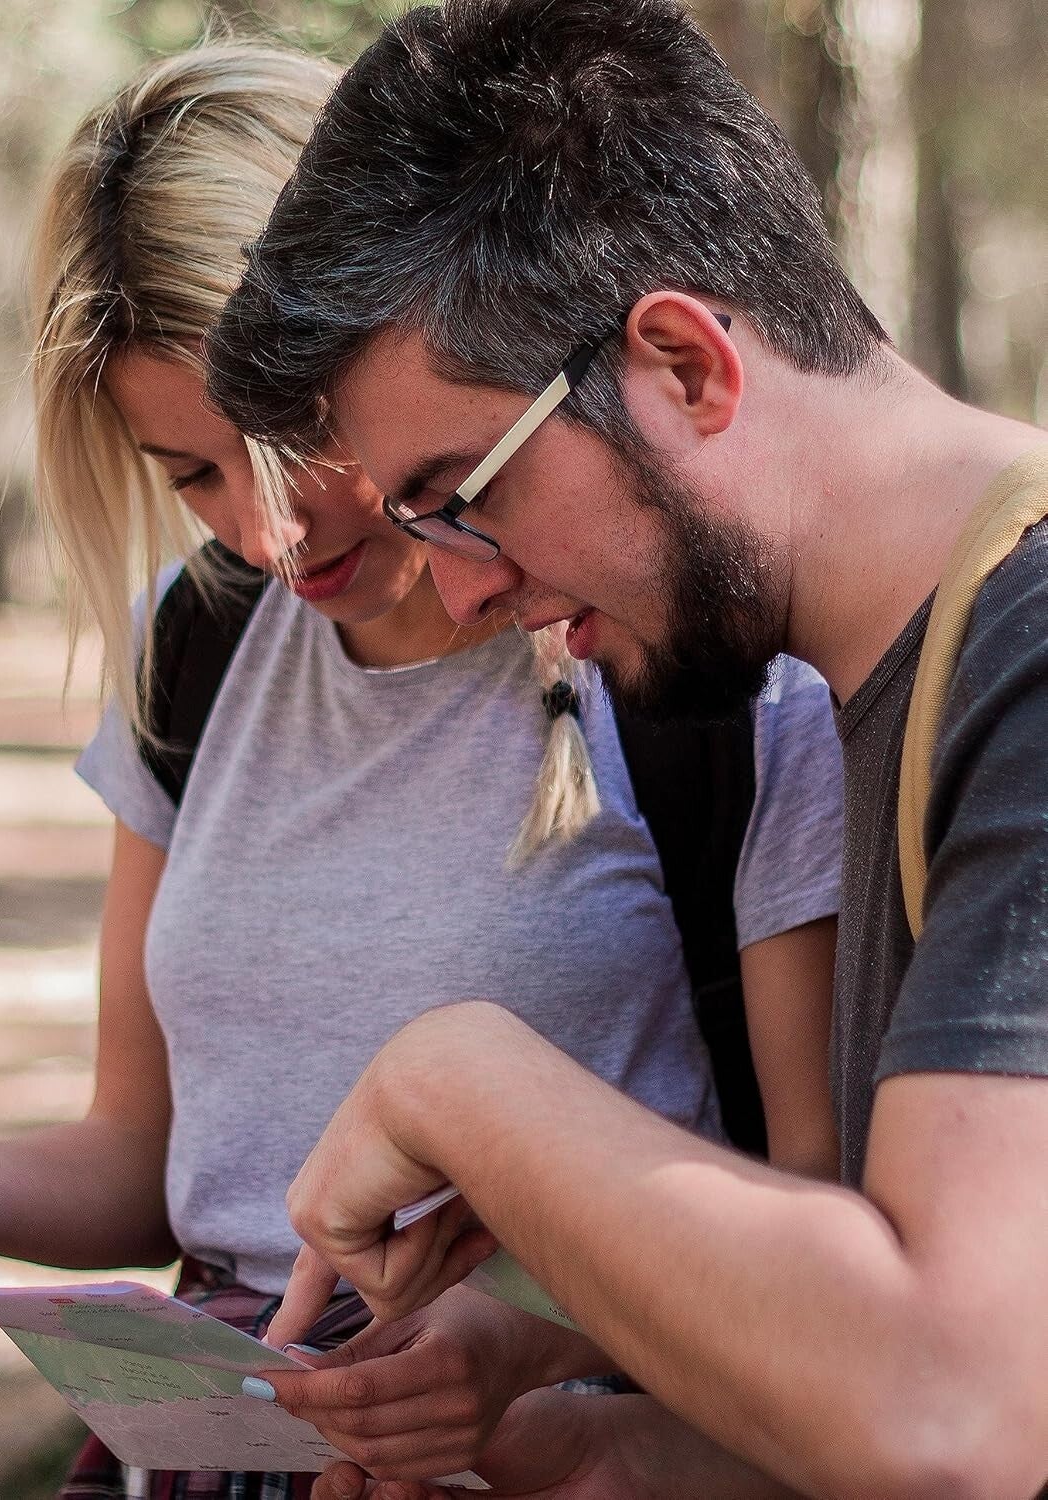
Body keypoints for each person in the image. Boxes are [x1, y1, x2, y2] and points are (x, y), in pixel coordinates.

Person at [0, 38, 842, 1499]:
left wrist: (516, 1334)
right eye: (189, 472)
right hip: (211, 1452)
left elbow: (811, 1213)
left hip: (575, 1452)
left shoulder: (686, 666)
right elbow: (147, 1160)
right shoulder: (195, 647)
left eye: (289, 437)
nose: (271, 536)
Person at [203, 2, 1048, 1497]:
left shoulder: (1030, 658)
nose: (464, 585)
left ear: (683, 365)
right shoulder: (897, 693)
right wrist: (596, 1450)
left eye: (465, 493)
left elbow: (958, 1414)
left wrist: (456, 1079)